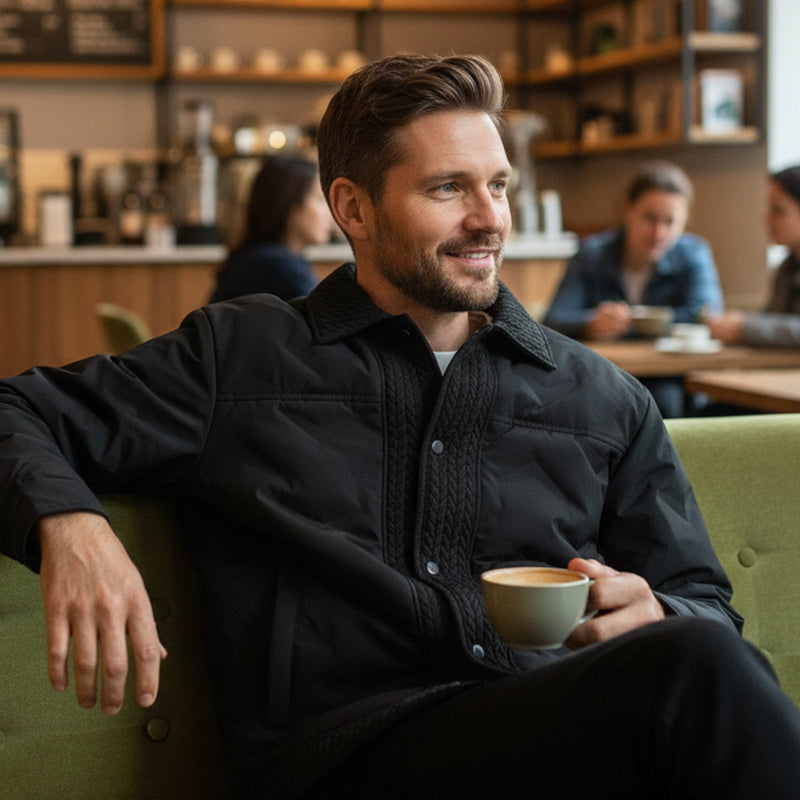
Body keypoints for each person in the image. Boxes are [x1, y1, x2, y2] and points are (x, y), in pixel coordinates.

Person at [0, 54, 798, 800]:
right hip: (338, 758)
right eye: (450, 188)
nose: (490, 219)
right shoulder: (240, 359)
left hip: (548, 734)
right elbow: (14, 409)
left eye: (499, 185)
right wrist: (71, 525)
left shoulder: (601, 397)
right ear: (353, 207)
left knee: (697, 653)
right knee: (696, 671)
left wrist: (655, 611)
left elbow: (703, 604)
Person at [543, 160, 724, 417]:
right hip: (604, 371)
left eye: (670, 222)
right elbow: (553, 320)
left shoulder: (693, 254)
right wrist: (590, 323)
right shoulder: (592, 253)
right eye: (650, 218)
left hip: (670, 374)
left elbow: (705, 314)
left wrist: (639, 323)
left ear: (684, 222)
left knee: (663, 401)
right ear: (627, 209)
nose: (658, 232)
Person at [209, 153, 334, 303]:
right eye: (320, 199)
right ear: (289, 205)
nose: (330, 211)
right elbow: (329, 321)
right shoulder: (278, 264)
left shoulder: (263, 256)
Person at [708, 164, 800, 346]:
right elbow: (772, 318)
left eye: (778, 210)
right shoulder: (788, 268)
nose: (766, 219)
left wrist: (745, 328)